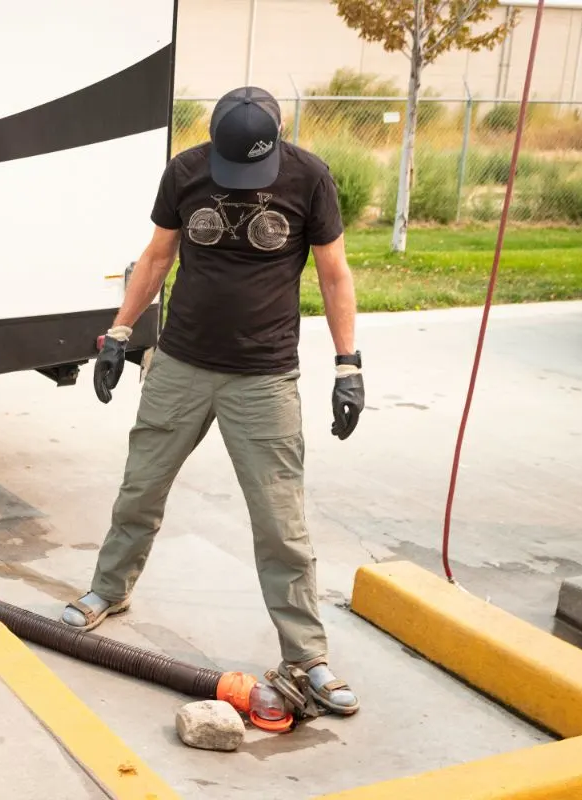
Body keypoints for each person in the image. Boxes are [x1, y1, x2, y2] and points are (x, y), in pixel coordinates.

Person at [60, 86, 363, 716]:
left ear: (276, 142)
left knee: (281, 523)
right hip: (179, 364)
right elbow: (157, 256)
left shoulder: (310, 179)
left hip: (264, 377)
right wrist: (119, 332)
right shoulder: (187, 171)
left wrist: (347, 363)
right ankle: (108, 591)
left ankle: (305, 656)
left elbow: (334, 272)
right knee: (140, 488)